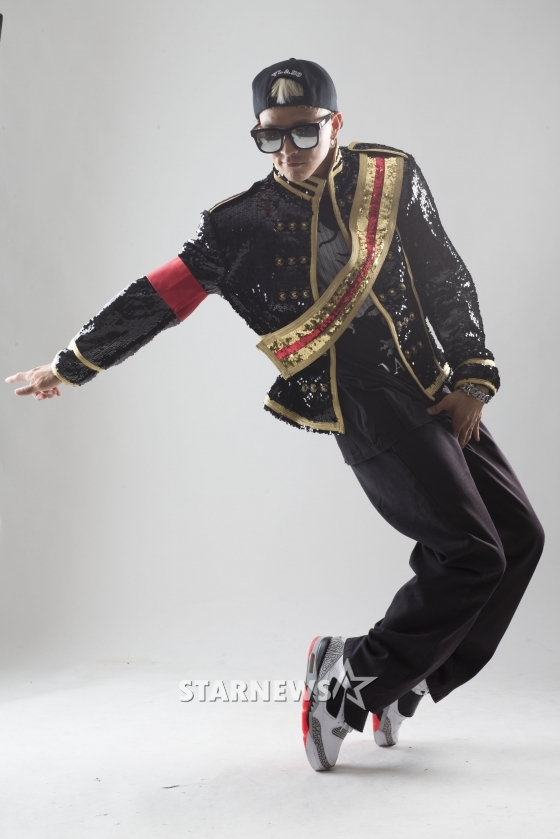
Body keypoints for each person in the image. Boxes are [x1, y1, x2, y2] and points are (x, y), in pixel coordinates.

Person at [6, 58, 544, 772]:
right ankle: (349, 684)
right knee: (473, 554)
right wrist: (71, 364)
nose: (287, 150)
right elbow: (159, 296)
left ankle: (407, 678)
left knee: (519, 538)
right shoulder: (236, 226)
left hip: (433, 383)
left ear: (335, 123)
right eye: (271, 137)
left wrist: (473, 372)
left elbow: (443, 273)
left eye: (303, 132)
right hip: (362, 402)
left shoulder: (391, 175)